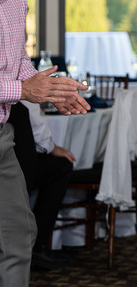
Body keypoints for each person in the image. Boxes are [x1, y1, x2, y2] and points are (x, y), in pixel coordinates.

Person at [0, 0, 89, 286]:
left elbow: (16, 60)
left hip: (2, 137)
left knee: (19, 235)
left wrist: (50, 89)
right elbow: (18, 83)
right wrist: (25, 90)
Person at [9, 100, 76, 272]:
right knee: (61, 166)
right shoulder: (17, 76)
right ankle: (37, 246)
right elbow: (32, 119)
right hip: (13, 163)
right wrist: (51, 146)